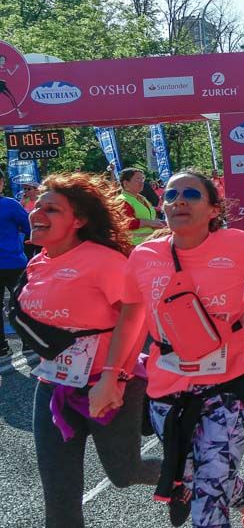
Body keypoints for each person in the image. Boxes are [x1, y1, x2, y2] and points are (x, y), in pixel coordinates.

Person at [121, 169, 244, 528]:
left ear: (213, 209)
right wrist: (112, 376)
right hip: (167, 391)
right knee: (199, 475)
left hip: (229, 387)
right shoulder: (143, 256)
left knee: (208, 497)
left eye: (192, 195)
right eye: (171, 195)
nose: (179, 200)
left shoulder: (236, 244)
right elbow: (131, 319)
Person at [22, 173, 161, 527]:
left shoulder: (103, 261)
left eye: (51, 209)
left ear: (79, 219)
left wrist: (114, 377)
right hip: (54, 386)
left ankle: (191, 476)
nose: (38, 213)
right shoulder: (37, 262)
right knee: (59, 497)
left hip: (108, 383)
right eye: (38, 206)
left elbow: (137, 312)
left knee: (125, 473)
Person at [0, 172, 29, 357]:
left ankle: (1, 347)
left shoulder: (11, 204)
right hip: (13, 261)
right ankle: (29, 341)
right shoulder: (10, 204)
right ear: (2, 183)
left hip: (12, 261)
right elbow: (28, 227)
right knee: (22, 303)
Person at [119, 167, 165, 245]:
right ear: (126, 183)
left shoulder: (142, 198)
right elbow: (127, 222)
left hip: (149, 242)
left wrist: (161, 222)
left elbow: (149, 217)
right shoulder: (122, 200)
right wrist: (150, 223)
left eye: (142, 179)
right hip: (134, 245)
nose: (142, 183)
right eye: (137, 180)